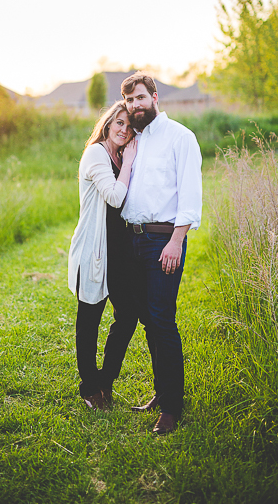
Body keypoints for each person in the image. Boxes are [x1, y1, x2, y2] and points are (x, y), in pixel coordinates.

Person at [119, 72, 202, 435]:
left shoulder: (180, 137)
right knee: (148, 322)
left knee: (162, 320)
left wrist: (176, 240)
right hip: (132, 241)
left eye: (140, 98)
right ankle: (162, 391)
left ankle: (171, 408)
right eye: (129, 101)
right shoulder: (134, 141)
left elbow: (190, 193)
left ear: (155, 97)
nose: (135, 106)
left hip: (162, 240)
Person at [67, 101, 139, 410]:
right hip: (94, 252)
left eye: (129, 126)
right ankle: (89, 388)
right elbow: (114, 196)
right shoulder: (96, 152)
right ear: (108, 124)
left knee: (127, 316)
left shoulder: (119, 155)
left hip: (120, 252)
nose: (124, 129)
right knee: (89, 321)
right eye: (119, 123)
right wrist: (130, 161)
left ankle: (105, 381)